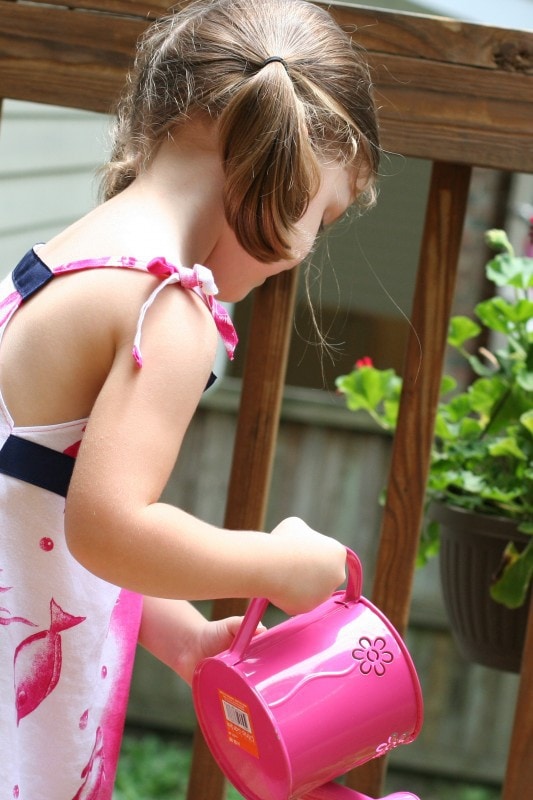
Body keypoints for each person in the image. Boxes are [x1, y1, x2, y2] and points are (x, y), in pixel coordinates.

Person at [0, 0, 380, 796]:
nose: (303, 252)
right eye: (327, 215)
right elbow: (109, 527)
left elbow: (41, 495)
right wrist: (277, 563)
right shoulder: (167, 308)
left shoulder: (60, 260)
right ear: (286, 173)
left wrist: (175, 636)